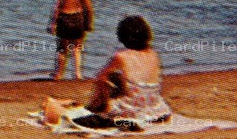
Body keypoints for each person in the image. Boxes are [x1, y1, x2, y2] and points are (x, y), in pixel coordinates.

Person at [44, 15, 172, 131]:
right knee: (116, 78)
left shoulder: (121, 56)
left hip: (131, 111)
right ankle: (98, 108)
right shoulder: (154, 54)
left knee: (106, 78)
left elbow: (100, 77)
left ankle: (95, 108)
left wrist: (102, 98)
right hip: (156, 109)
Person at [49, 0, 94, 80]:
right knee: (77, 48)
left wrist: (53, 23)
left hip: (64, 19)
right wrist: (89, 22)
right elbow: (88, 8)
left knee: (62, 49)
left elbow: (57, 8)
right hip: (78, 19)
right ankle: (78, 73)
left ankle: (59, 74)